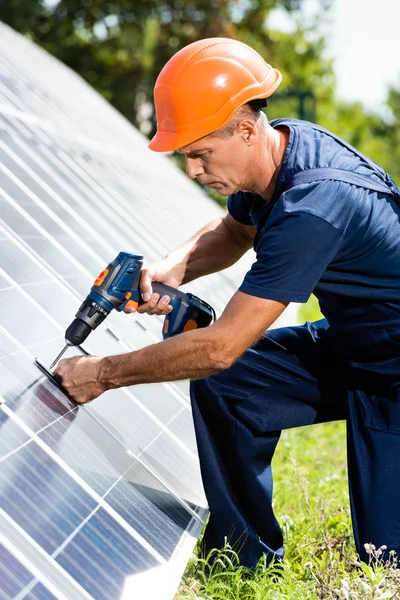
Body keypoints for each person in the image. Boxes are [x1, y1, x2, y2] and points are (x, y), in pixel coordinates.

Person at [55, 38, 400, 569]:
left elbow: (220, 347)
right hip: (356, 344)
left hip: (394, 371)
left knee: (387, 559)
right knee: (231, 386)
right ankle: (246, 559)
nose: (193, 170)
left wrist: (101, 374)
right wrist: (174, 265)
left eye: (200, 153)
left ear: (245, 128)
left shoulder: (315, 204)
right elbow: (233, 232)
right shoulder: (280, 153)